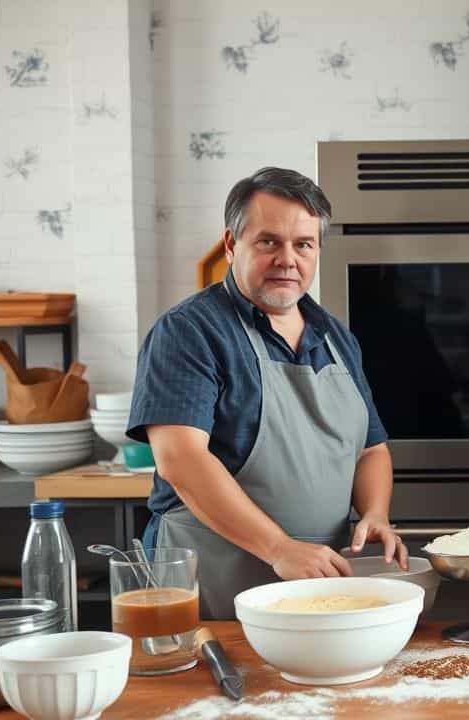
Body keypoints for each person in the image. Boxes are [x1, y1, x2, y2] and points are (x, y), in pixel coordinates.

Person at [127, 167, 406, 620]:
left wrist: (375, 512)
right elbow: (181, 459)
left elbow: (371, 449)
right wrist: (279, 548)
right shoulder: (190, 332)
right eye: (269, 241)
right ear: (232, 244)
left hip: (315, 590)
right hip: (212, 587)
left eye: (303, 244)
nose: (287, 259)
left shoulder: (337, 338)